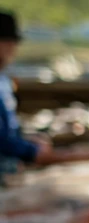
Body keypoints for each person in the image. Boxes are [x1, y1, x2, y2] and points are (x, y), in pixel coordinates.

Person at [0, 11, 51, 171]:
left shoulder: (4, 82)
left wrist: (27, 141)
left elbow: (8, 134)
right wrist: (31, 151)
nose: (12, 48)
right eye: (7, 42)